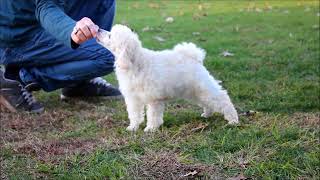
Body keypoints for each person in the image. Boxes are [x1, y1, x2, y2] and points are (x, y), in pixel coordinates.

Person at [0, 0, 122, 113]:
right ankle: (20, 78)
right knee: (113, 56)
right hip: (18, 35)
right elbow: (46, 6)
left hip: (34, 20)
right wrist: (71, 30)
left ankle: (79, 83)